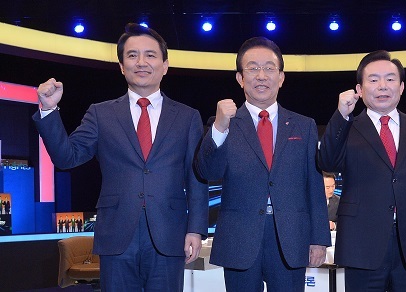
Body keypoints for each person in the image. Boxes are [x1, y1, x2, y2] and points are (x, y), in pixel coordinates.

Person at [33, 23, 208, 290]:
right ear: (121, 66)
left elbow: (196, 176)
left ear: (165, 65)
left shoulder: (187, 116)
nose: (141, 62)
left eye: (150, 55)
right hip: (116, 235)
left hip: (169, 234)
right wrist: (49, 109)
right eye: (132, 55)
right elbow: (67, 157)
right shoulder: (101, 114)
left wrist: (195, 229)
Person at [195, 36, 331, 292]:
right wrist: (219, 127)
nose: (261, 75)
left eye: (269, 68)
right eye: (253, 68)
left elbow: (314, 186)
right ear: (240, 78)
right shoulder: (224, 123)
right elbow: (207, 172)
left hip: (290, 237)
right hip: (239, 239)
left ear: (281, 77)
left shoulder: (305, 125)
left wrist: (319, 239)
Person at [318, 50, 406, 291]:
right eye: (373, 79)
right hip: (361, 243)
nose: (382, 86)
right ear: (359, 89)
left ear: (401, 87)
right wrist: (340, 115)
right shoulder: (348, 127)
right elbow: (326, 162)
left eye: (390, 79)